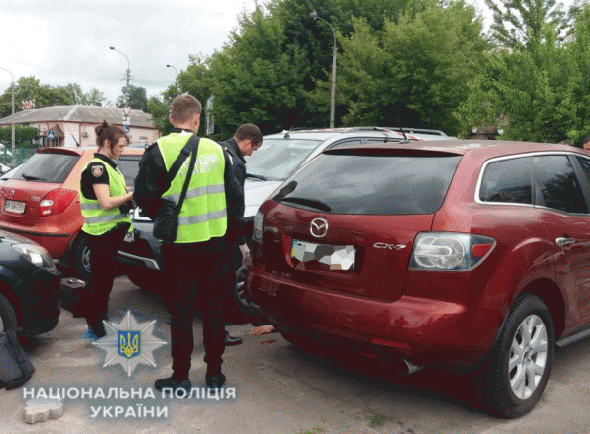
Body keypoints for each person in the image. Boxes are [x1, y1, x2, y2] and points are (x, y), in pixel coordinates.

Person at [134, 94, 242, 393]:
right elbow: (235, 198)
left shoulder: (158, 151)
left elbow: (143, 197)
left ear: (171, 119)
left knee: (180, 312)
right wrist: (234, 240)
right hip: (215, 242)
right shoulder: (219, 151)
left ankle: (181, 376)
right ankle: (215, 375)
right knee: (213, 308)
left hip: (179, 245)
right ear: (197, 120)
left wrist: (165, 213)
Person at [78, 121, 134, 339]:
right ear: (107, 143)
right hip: (101, 233)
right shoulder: (97, 168)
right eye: (119, 146)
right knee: (100, 283)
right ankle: (96, 327)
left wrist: (126, 193)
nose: (122, 151)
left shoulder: (109, 167)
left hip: (108, 233)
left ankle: (99, 322)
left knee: (103, 281)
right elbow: (106, 202)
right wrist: (131, 195)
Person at [219, 123, 263, 344]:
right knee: (224, 281)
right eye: (253, 149)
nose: (251, 153)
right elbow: (236, 205)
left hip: (207, 227)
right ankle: (219, 332)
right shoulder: (235, 163)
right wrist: (241, 242)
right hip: (225, 231)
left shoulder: (218, 150)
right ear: (247, 142)